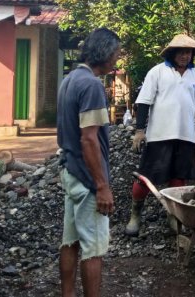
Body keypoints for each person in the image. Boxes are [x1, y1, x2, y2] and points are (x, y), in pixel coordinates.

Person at [124, 34, 195, 236]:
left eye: (188, 52)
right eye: (180, 52)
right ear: (172, 53)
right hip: (159, 135)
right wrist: (139, 131)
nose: (184, 56)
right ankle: (135, 215)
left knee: (178, 180)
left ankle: (173, 216)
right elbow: (144, 102)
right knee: (146, 177)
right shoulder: (157, 72)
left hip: (186, 136)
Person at [57, 28, 121, 297]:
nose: (117, 61)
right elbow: (89, 140)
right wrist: (102, 186)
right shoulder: (92, 85)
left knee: (70, 241)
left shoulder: (69, 80)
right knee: (93, 249)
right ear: (105, 53)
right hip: (86, 178)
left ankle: (67, 293)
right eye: (116, 54)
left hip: (70, 170)